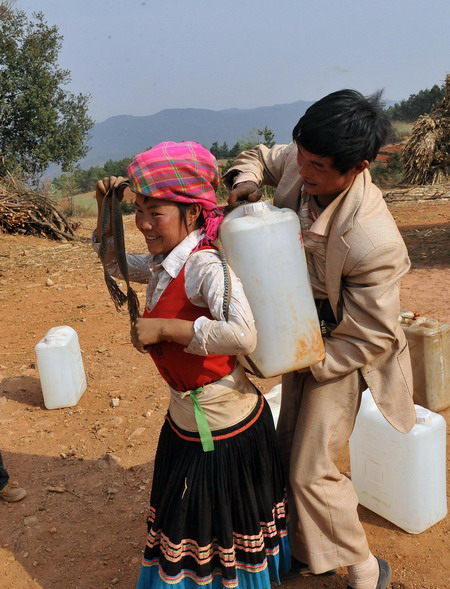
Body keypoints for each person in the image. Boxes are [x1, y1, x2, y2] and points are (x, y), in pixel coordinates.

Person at [224, 89, 417, 589]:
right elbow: (258, 158)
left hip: (346, 347)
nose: (304, 173)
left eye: (318, 167)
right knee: (288, 445)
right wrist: (245, 185)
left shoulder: (373, 239)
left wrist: (308, 360)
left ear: (357, 167)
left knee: (312, 466)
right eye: (302, 158)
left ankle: (366, 570)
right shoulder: (301, 159)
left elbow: (372, 333)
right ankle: (310, 552)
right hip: (299, 327)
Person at [93, 141, 290, 589]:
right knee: (203, 526)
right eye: (138, 210)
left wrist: (166, 330)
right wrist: (108, 210)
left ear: (193, 215)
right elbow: (113, 259)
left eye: (155, 212)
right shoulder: (165, 262)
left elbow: (243, 335)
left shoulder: (204, 264)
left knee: (211, 525)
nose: (143, 223)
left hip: (225, 430)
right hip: (187, 419)